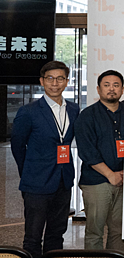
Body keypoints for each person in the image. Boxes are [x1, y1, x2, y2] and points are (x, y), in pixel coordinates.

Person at [10, 61, 80, 258]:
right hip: (36, 182)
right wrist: (29, 172)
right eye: (50, 78)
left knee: (57, 233)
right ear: (42, 81)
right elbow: (17, 146)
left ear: (67, 82)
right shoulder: (29, 111)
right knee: (33, 236)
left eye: (60, 79)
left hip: (63, 180)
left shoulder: (74, 109)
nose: (55, 83)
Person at [75, 70, 124, 251]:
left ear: (122, 89)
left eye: (116, 85)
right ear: (98, 89)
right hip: (97, 181)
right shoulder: (87, 115)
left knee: (119, 231)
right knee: (95, 232)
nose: (112, 89)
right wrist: (110, 174)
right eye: (107, 85)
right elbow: (87, 151)